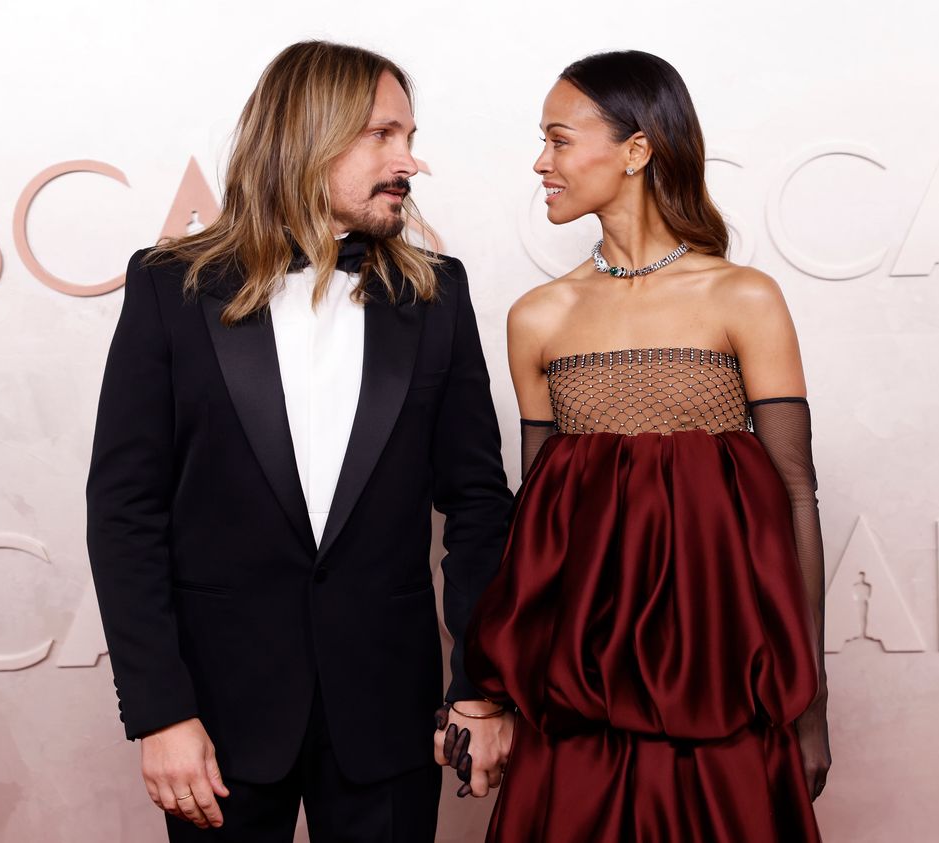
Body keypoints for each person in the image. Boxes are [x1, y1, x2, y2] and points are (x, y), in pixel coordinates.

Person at [86, 40, 513, 842]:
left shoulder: (438, 295)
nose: (410, 161)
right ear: (307, 135)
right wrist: (160, 710)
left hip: (390, 717)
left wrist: (481, 689)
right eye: (384, 135)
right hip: (214, 723)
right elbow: (124, 511)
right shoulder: (168, 286)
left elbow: (479, 504)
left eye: (411, 137)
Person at [461, 50, 831, 841]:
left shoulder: (743, 297)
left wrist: (809, 703)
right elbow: (540, 534)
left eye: (559, 140)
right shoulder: (539, 317)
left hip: (724, 700)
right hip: (576, 712)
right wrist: (498, 694)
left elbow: (795, 494)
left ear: (636, 149)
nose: (541, 162)